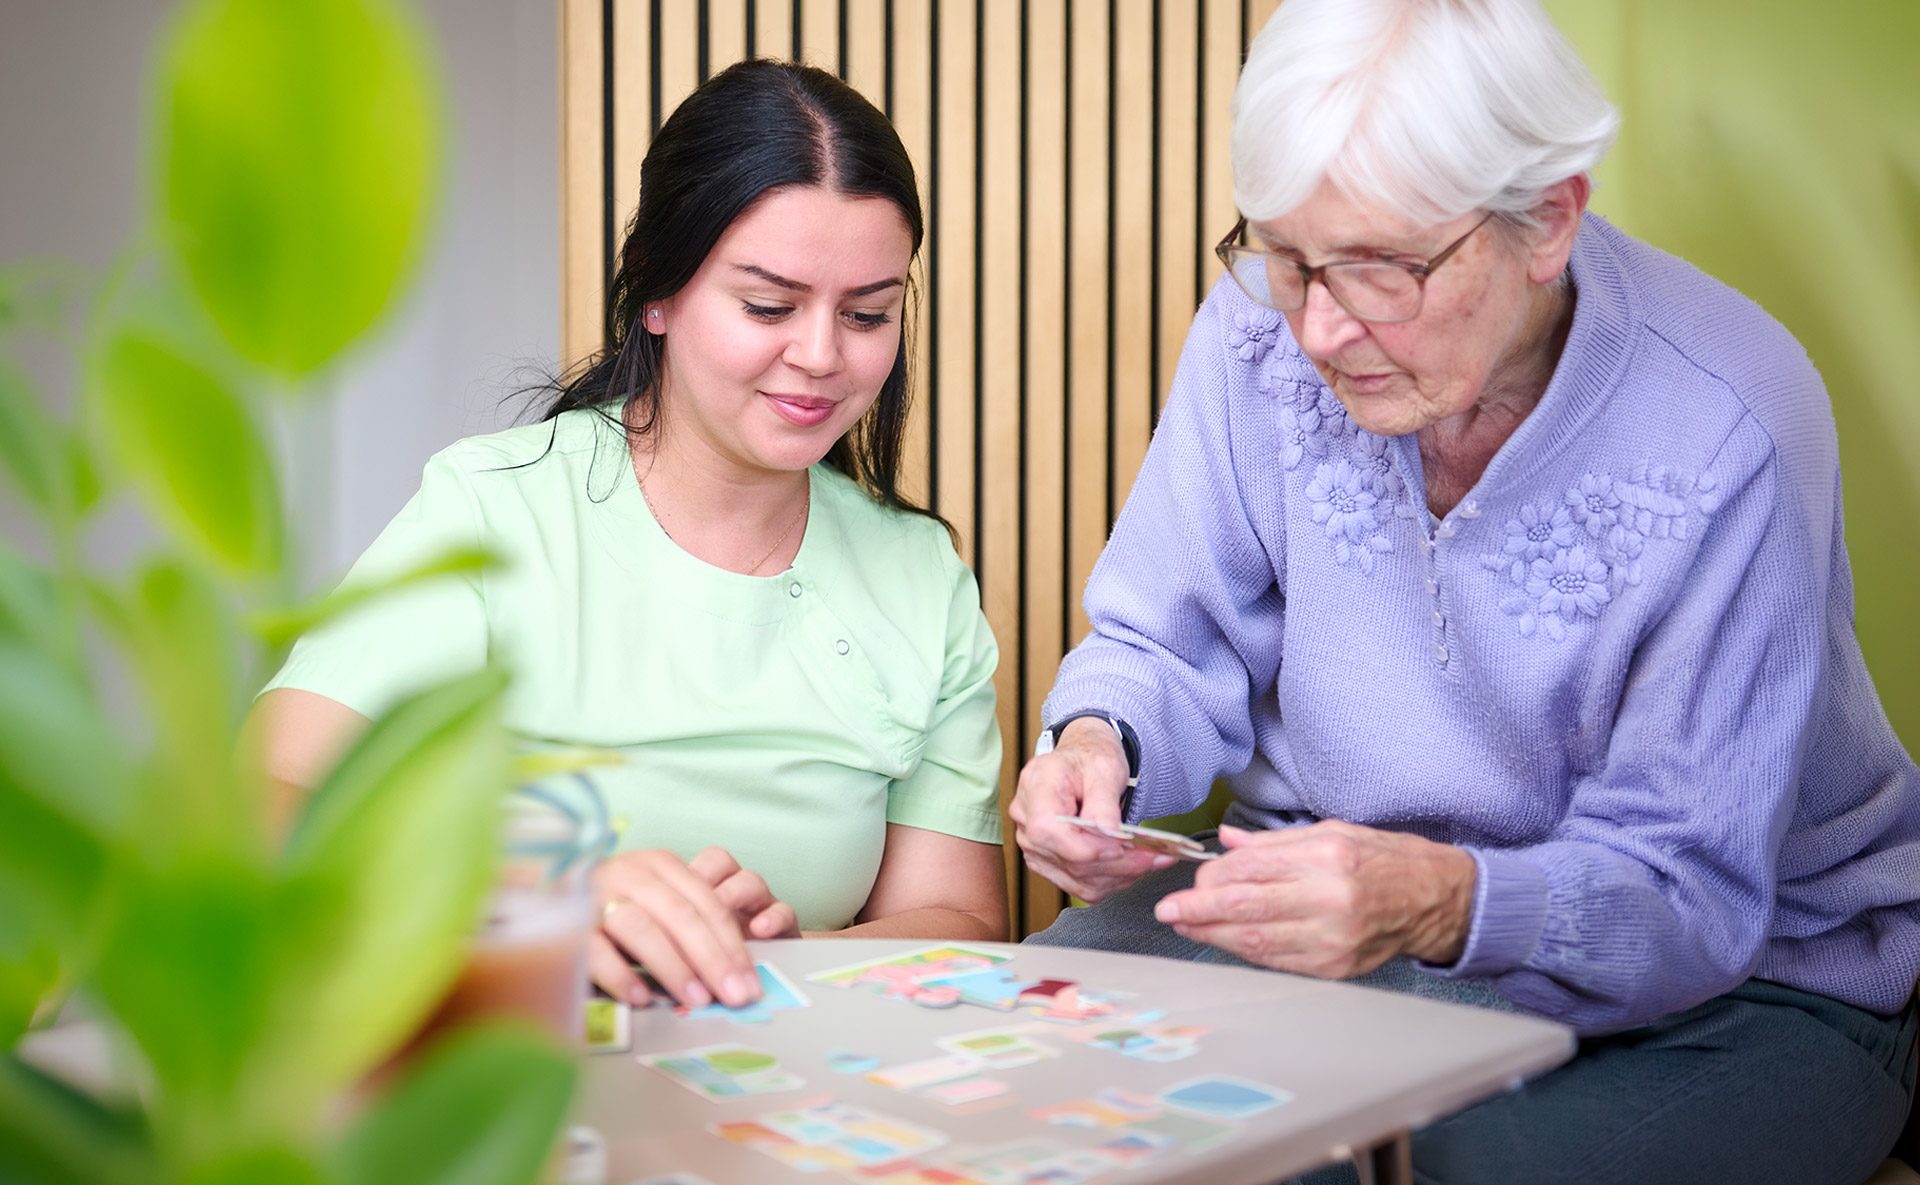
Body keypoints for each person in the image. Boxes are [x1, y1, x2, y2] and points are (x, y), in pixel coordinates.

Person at [1009, 1, 1920, 1181]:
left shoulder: (1731, 415)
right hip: (1329, 916)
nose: (1321, 330)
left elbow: (1687, 892)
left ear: (1548, 222)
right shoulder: (1254, 334)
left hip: (1737, 980)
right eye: (1287, 258)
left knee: (1462, 1165)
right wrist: (1101, 742)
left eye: (1382, 270)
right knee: (1037, 1068)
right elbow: (1165, 641)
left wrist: (1438, 903)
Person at [253, 59, 1006, 1017]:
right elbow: (269, 798)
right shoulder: (496, 507)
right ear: (658, 291)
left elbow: (960, 919)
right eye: (768, 306)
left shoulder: (919, 575)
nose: (822, 355)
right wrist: (544, 904)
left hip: (787, 1071)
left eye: (868, 314)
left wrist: (755, 957)